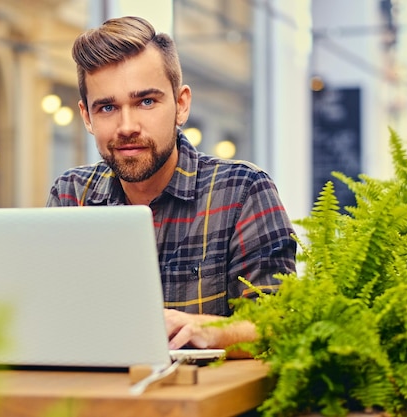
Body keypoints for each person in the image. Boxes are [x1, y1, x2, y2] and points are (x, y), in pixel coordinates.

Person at [46, 16, 296, 357]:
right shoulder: (70, 193)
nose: (127, 126)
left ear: (181, 105)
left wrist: (208, 330)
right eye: (107, 107)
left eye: (146, 102)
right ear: (87, 117)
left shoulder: (242, 190)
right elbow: (52, 320)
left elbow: (281, 325)